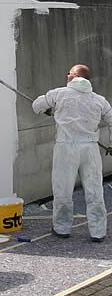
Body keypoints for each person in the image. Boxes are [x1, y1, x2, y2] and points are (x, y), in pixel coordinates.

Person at [32, 64, 112, 242]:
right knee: (95, 191)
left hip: (66, 148)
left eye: (69, 72)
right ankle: (98, 232)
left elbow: (36, 105)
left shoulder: (58, 94)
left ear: (74, 76)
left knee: (63, 189)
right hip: (90, 148)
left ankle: (62, 228)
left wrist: (48, 109)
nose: (67, 75)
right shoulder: (99, 100)